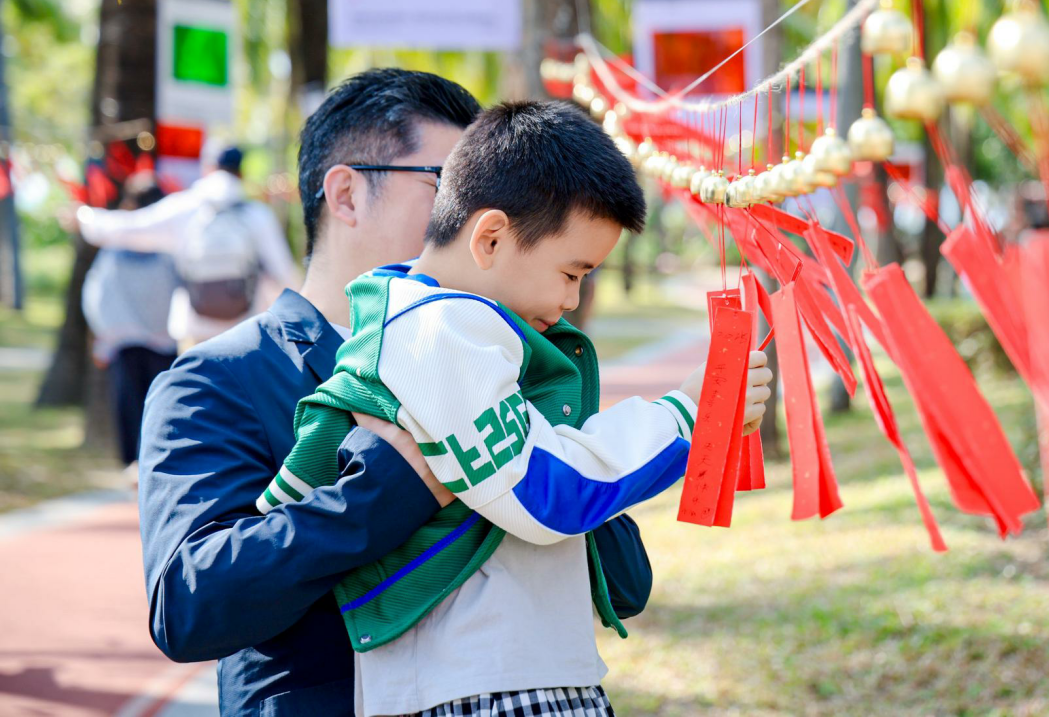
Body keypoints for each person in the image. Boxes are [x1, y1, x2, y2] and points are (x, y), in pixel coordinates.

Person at [136, 69, 657, 717]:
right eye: (447, 188)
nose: (477, 217)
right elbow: (191, 605)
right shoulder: (217, 381)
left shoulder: (505, 361)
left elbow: (627, 584)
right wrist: (392, 482)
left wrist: (550, 452)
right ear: (347, 194)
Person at [258, 100, 773, 717]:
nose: (572, 298)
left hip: (498, 676)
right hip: (486, 687)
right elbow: (547, 492)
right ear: (491, 236)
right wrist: (689, 414)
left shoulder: (429, 327)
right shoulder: (436, 335)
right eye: (570, 272)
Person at [75, 145, 299, 347]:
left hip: (195, 332)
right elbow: (284, 273)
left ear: (208, 169)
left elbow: (130, 228)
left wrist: (85, 218)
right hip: (247, 333)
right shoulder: (257, 215)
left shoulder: (185, 207)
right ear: (240, 173)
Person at [81, 172, 180, 469]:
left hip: (125, 340)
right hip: (164, 341)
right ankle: (157, 464)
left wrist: (104, 337)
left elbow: (98, 294)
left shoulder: (113, 248)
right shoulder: (169, 249)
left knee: (130, 407)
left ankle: (134, 467)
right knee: (161, 408)